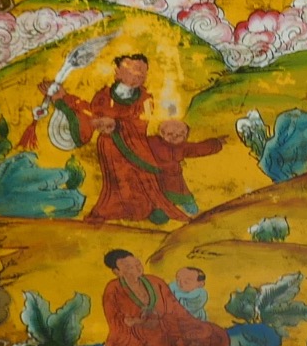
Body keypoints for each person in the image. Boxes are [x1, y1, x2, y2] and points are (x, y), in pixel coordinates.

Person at [46, 54, 222, 224]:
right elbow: (90, 113)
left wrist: (117, 124)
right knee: (118, 182)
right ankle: (117, 210)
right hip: (110, 148)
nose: (138, 76)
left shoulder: (146, 99)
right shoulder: (103, 95)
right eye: (132, 71)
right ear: (118, 72)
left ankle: (147, 210)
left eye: (142, 73)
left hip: (136, 148)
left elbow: (141, 122)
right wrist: (64, 99)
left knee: (142, 183)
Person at [101, 249, 229, 346]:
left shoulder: (155, 282)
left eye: (137, 263)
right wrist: (138, 323)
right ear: (117, 272)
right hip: (135, 337)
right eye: (129, 267)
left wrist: (166, 321)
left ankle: (174, 345)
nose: (137, 268)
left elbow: (175, 308)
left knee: (208, 336)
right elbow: (116, 322)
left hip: (167, 328)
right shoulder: (113, 290)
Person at [147, 119, 224, 220]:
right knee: (165, 202)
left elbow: (199, 149)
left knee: (182, 198)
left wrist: (216, 143)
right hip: (158, 181)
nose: (174, 137)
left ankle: (193, 212)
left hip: (173, 181)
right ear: (162, 133)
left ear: (185, 137)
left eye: (179, 135)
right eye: (170, 134)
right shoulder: (153, 142)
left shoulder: (181, 147)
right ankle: (161, 214)